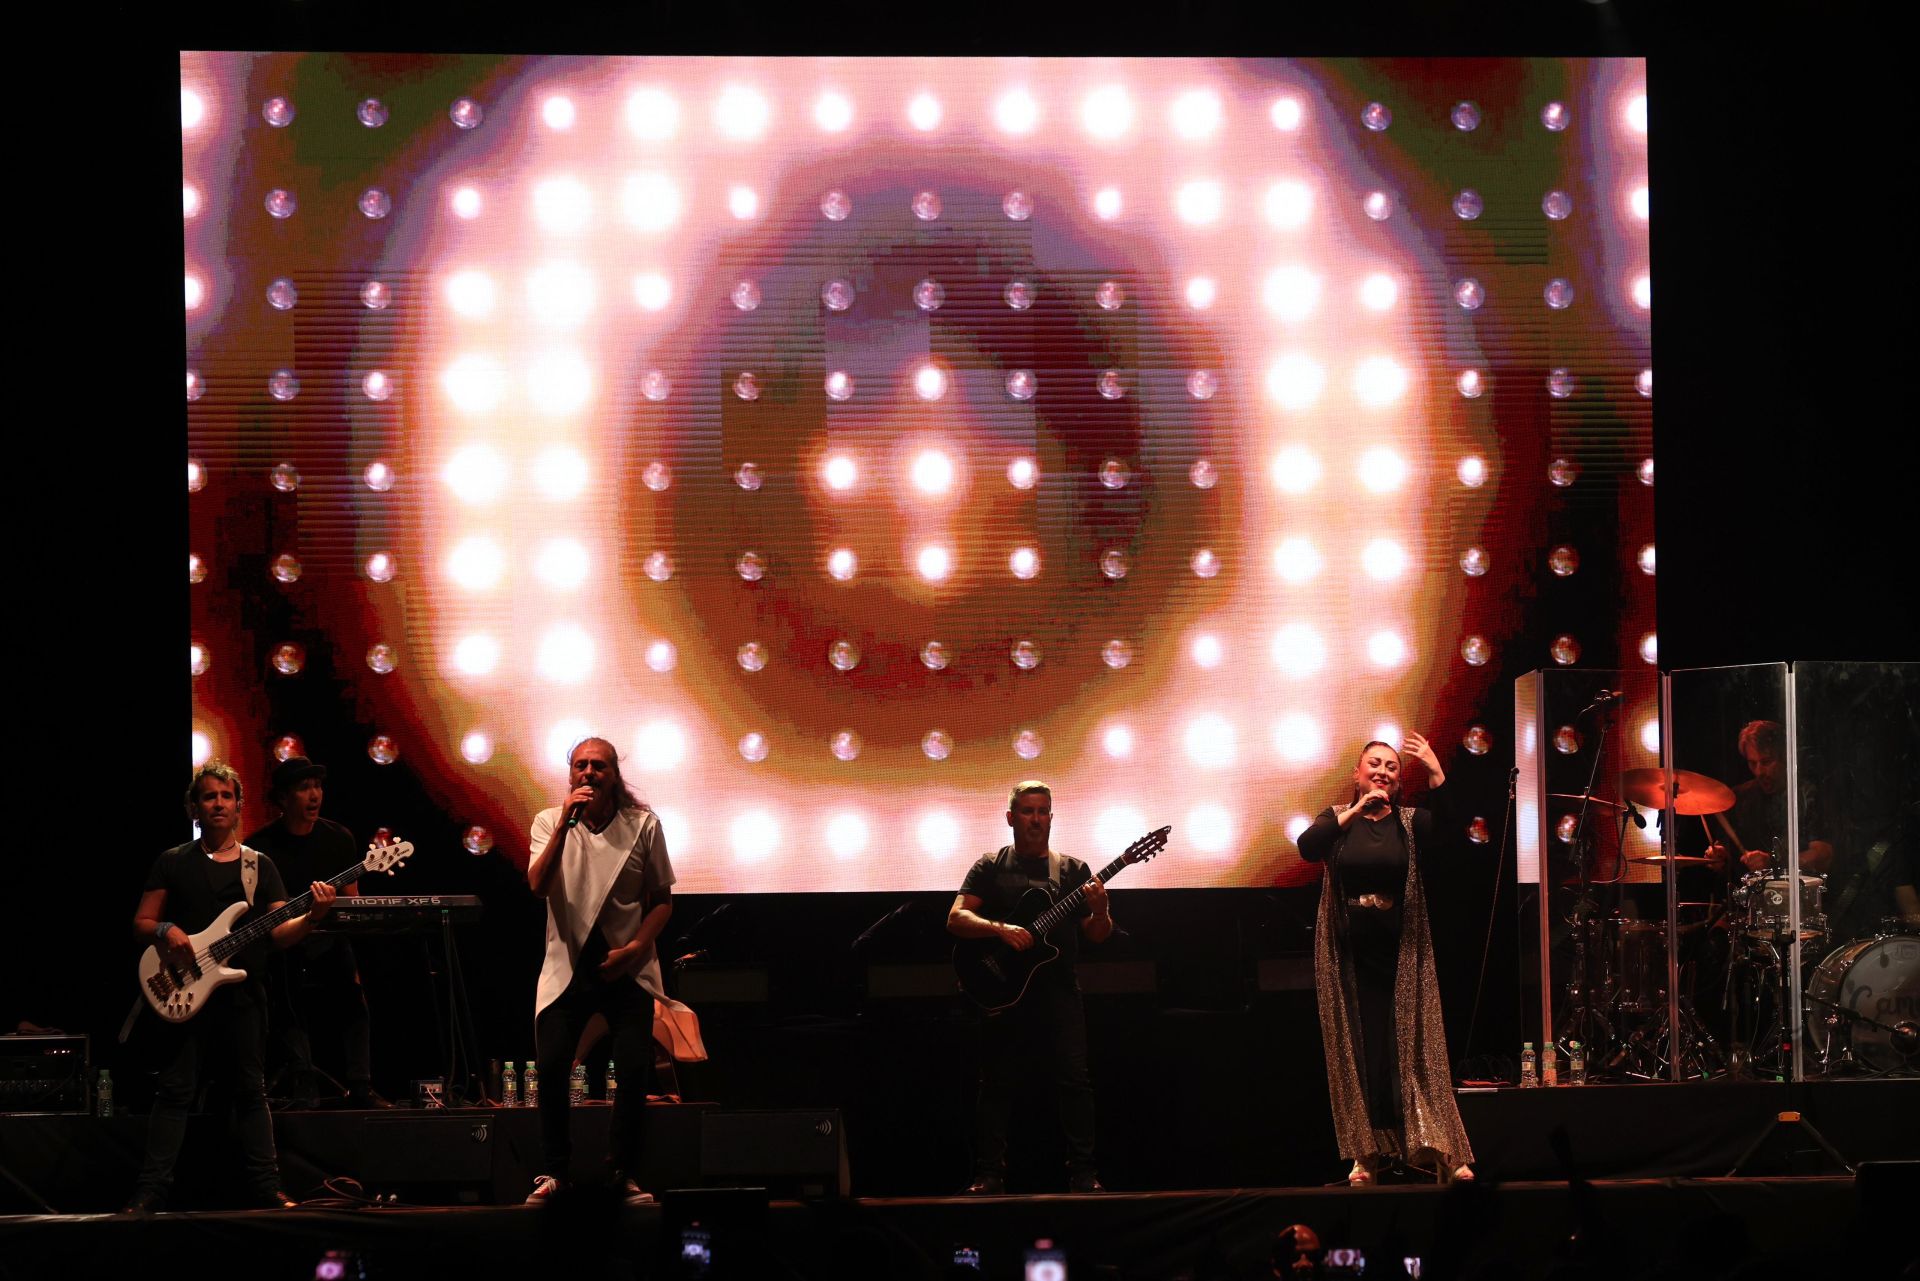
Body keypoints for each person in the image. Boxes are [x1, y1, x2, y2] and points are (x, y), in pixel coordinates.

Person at [123, 761, 337, 1213]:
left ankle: (268, 1189)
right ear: (194, 807)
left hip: (242, 997)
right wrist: (165, 930)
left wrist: (314, 915)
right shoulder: (173, 861)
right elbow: (141, 922)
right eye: (209, 796)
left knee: (250, 1091)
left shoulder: (259, 866)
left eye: (226, 796)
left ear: (240, 805)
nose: (218, 803)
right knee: (175, 1091)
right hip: (182, 991)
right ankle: (150, 1192)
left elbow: (279, 932)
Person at [1297, 734, 1473, 1186]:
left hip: (1402, 950)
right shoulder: (1336, 818)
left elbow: (1453, 834)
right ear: (1357, 775)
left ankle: (1442, 1149)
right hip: (1350, 955)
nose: (1383, 772)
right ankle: (1365, 1155)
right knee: (1362, 1053)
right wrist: (1355, 811)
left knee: (1416, 1051)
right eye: (1374, 765)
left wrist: (1435, 770)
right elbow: (1308, 846)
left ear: (1399, 781)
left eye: (1392, 767)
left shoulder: (1409, 822)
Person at [524, 737, 675, 1205]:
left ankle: (621, 1173)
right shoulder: (549, 821)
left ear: (615, 775)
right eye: (581, 765)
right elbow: (537, 885)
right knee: (551, 1067)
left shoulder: (642, 825)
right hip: (568, 965)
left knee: (632, 1069)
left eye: (599, 766)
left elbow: (662, 902)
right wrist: (563, 828)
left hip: (623, 966)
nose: (589, 773)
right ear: (570, 775)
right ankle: (556, 1173)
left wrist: (633, 950)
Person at [947, 780, 1111, 1194]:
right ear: (1011, 818)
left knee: (1074, 1079)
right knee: (996, 1081)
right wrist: (999, 930)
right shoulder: (990, 866)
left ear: (1051, 817)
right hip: (1002, 990)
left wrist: (1101, 910)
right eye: (1027, 811)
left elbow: (1097, 935)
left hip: (1058, 989)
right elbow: (956, 919)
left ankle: (1084, 1173)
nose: (1035, 820)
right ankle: (989, 1174)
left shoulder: (1072, 870)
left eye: (1042, 812)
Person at [244, 755, 386, 1109]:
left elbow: (351, 902)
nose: (314, 796)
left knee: (354, 998)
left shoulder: (338, 838)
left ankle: (361, 1086)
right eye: (303, 788)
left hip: (329, 939)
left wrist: (332, 918)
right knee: (286, 997)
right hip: (284, 944)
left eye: (318, 787)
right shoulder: (260, 847)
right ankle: (302, 1083)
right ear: (282, 798)